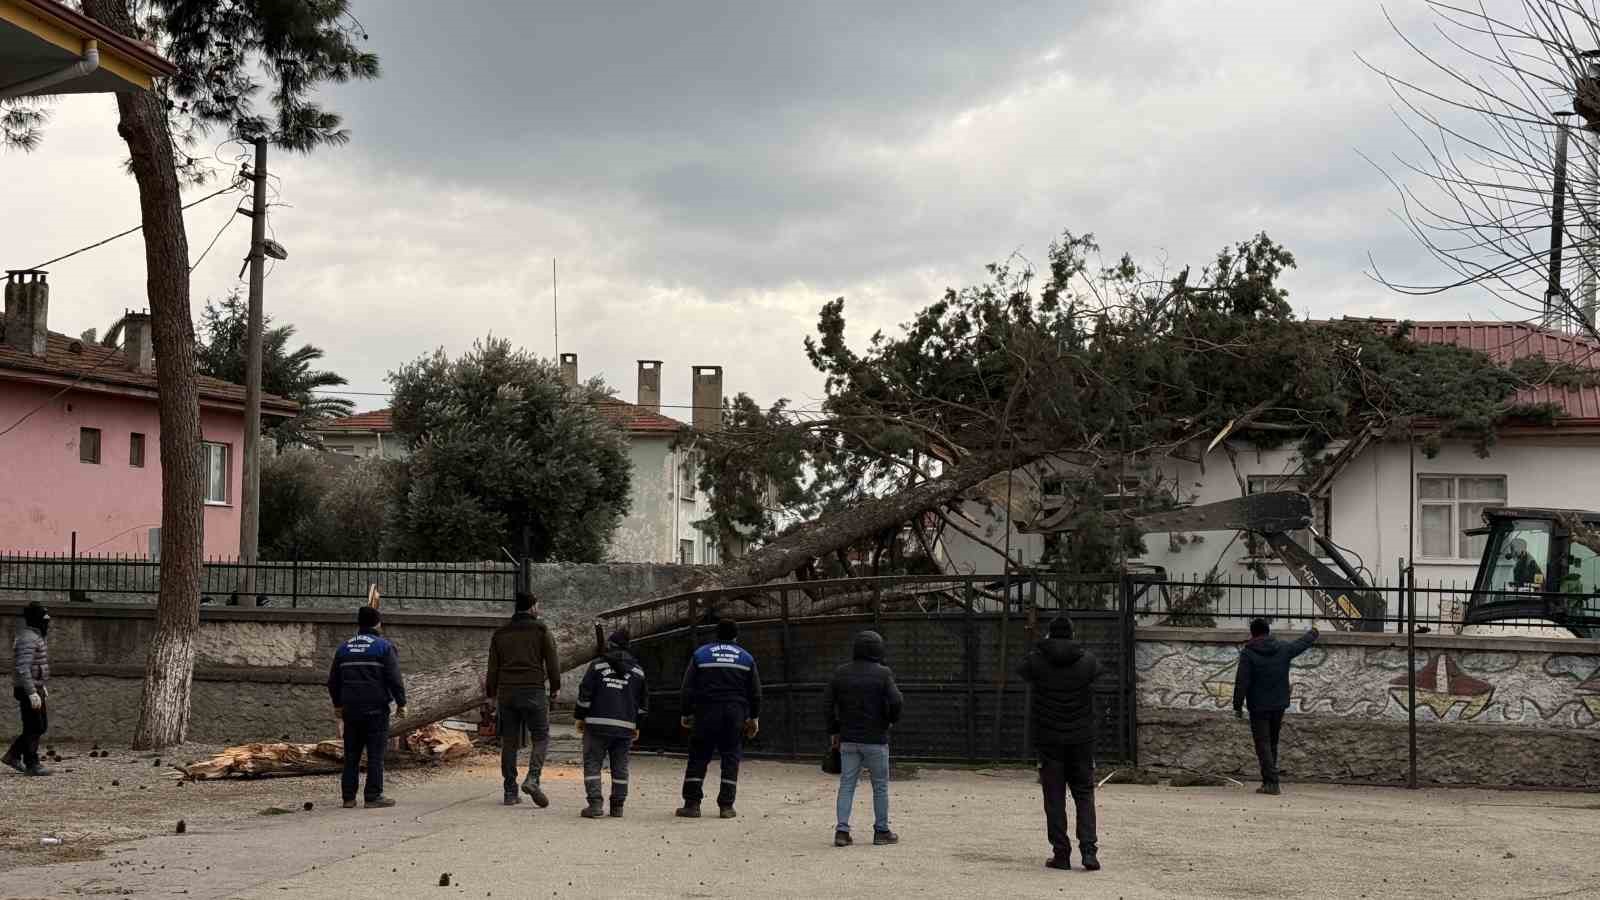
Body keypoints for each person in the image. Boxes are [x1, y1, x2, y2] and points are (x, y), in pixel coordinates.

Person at [1018, 616, 1101, 872]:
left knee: (1054, 797)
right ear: (1072, 633)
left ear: (1049, 634)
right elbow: (1097, 675)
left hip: (1049, 739)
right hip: (1081, 738)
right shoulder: (1088, 661)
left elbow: (1021, 670)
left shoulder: (1036, 660)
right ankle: (1089, 852)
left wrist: (1041, 646)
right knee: (1084, 794)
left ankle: (1061, 854)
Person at [676, 618, 762, 819]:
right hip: (735, 714)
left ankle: (692, 804)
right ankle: (726, 806)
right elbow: (756, 693)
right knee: (731, 757)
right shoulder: (746, 658)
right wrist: (754, 717)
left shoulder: (701, 654)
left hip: (706, 711)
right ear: (735, 635)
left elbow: (687, 688)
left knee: (699, 756)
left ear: (716, 633)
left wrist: (686, 713)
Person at [825, 630, 903, 848]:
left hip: (848, 738)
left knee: (847, 784)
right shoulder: (883, 673)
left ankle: (842, 831)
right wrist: (889, 720)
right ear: (878, 649)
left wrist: (834, 730)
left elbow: (826, 703)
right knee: (880, 786)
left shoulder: (841, 673)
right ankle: (881, 831)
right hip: (876, 739)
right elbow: (896, 700)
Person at [486, 591, 562, 807]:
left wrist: (491, 695)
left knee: (509, 742)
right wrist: (555, 688)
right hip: (533, 690)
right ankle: (533, 778)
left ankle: (510, 792)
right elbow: (552, 662)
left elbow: (492, 668)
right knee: (541, 736)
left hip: (507, 693)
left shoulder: (500, 633)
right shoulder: (541, 630)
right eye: (537, 606)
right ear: (532, 607)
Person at [328, 604, 406, 808]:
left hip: (350, 710)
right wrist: (401, 703)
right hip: (376, 709)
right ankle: (373, 796)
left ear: (359, 623)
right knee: (375, 754)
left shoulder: (344, 648)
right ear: (378, 623)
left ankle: (348, 797)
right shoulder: (383, 647)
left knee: (351, 755)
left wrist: (337, 705)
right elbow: (394, 678)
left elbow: (333, 681)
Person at [1233, 618, 1319, 796]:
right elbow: (1300, 644)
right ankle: (1268, 781)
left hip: (1258, 706)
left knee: (1262, 743)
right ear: (1268, 631)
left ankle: (1272, 782)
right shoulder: (1282, 648)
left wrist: (1237, 705)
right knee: (1272, 742)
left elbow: (1242, 682)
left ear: (1253, 632)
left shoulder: (1248, 654)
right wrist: (1313, 633)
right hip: (1278, 704)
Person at [574, 628, 649, 819]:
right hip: (624, 727)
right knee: (620, 766)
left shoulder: (598, 666)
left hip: (596, 725)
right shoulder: (639, 671)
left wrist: (580, 717)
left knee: (592, 763)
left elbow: (585, 694)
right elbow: (643, 705)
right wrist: (637, 726)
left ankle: (595, 805)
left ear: (611, 645)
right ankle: (617, 807)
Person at [4, 602, 51, 777]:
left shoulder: (35, 636)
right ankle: (31, 762)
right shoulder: (28, 638)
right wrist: (31, 691)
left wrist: (41, 686)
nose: (48, 620)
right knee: (34, 726)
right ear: (35, 619)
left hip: (34, 687)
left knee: (39, 726)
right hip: (27, 689)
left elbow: (34, 666)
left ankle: (13, 755)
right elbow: (23, 668)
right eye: (44, 617)